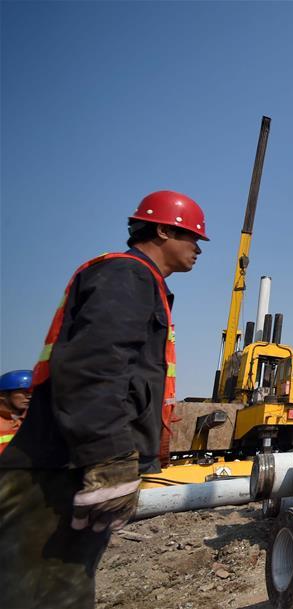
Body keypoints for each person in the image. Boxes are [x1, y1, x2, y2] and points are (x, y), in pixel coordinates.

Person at [0, 190, 208, 609]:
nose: (197, 249)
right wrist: (110, 458)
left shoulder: (142, 282)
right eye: (193, 238)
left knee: (61, 585)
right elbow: (94, 369)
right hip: (58, 469)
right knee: (48, 594)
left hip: (70, 464)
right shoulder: (126, 275)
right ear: (164, 230)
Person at [0, 370, 32, 455]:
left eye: (32, 392)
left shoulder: (36, 419)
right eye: (24, 392)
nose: (29, 396)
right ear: (2, 395)